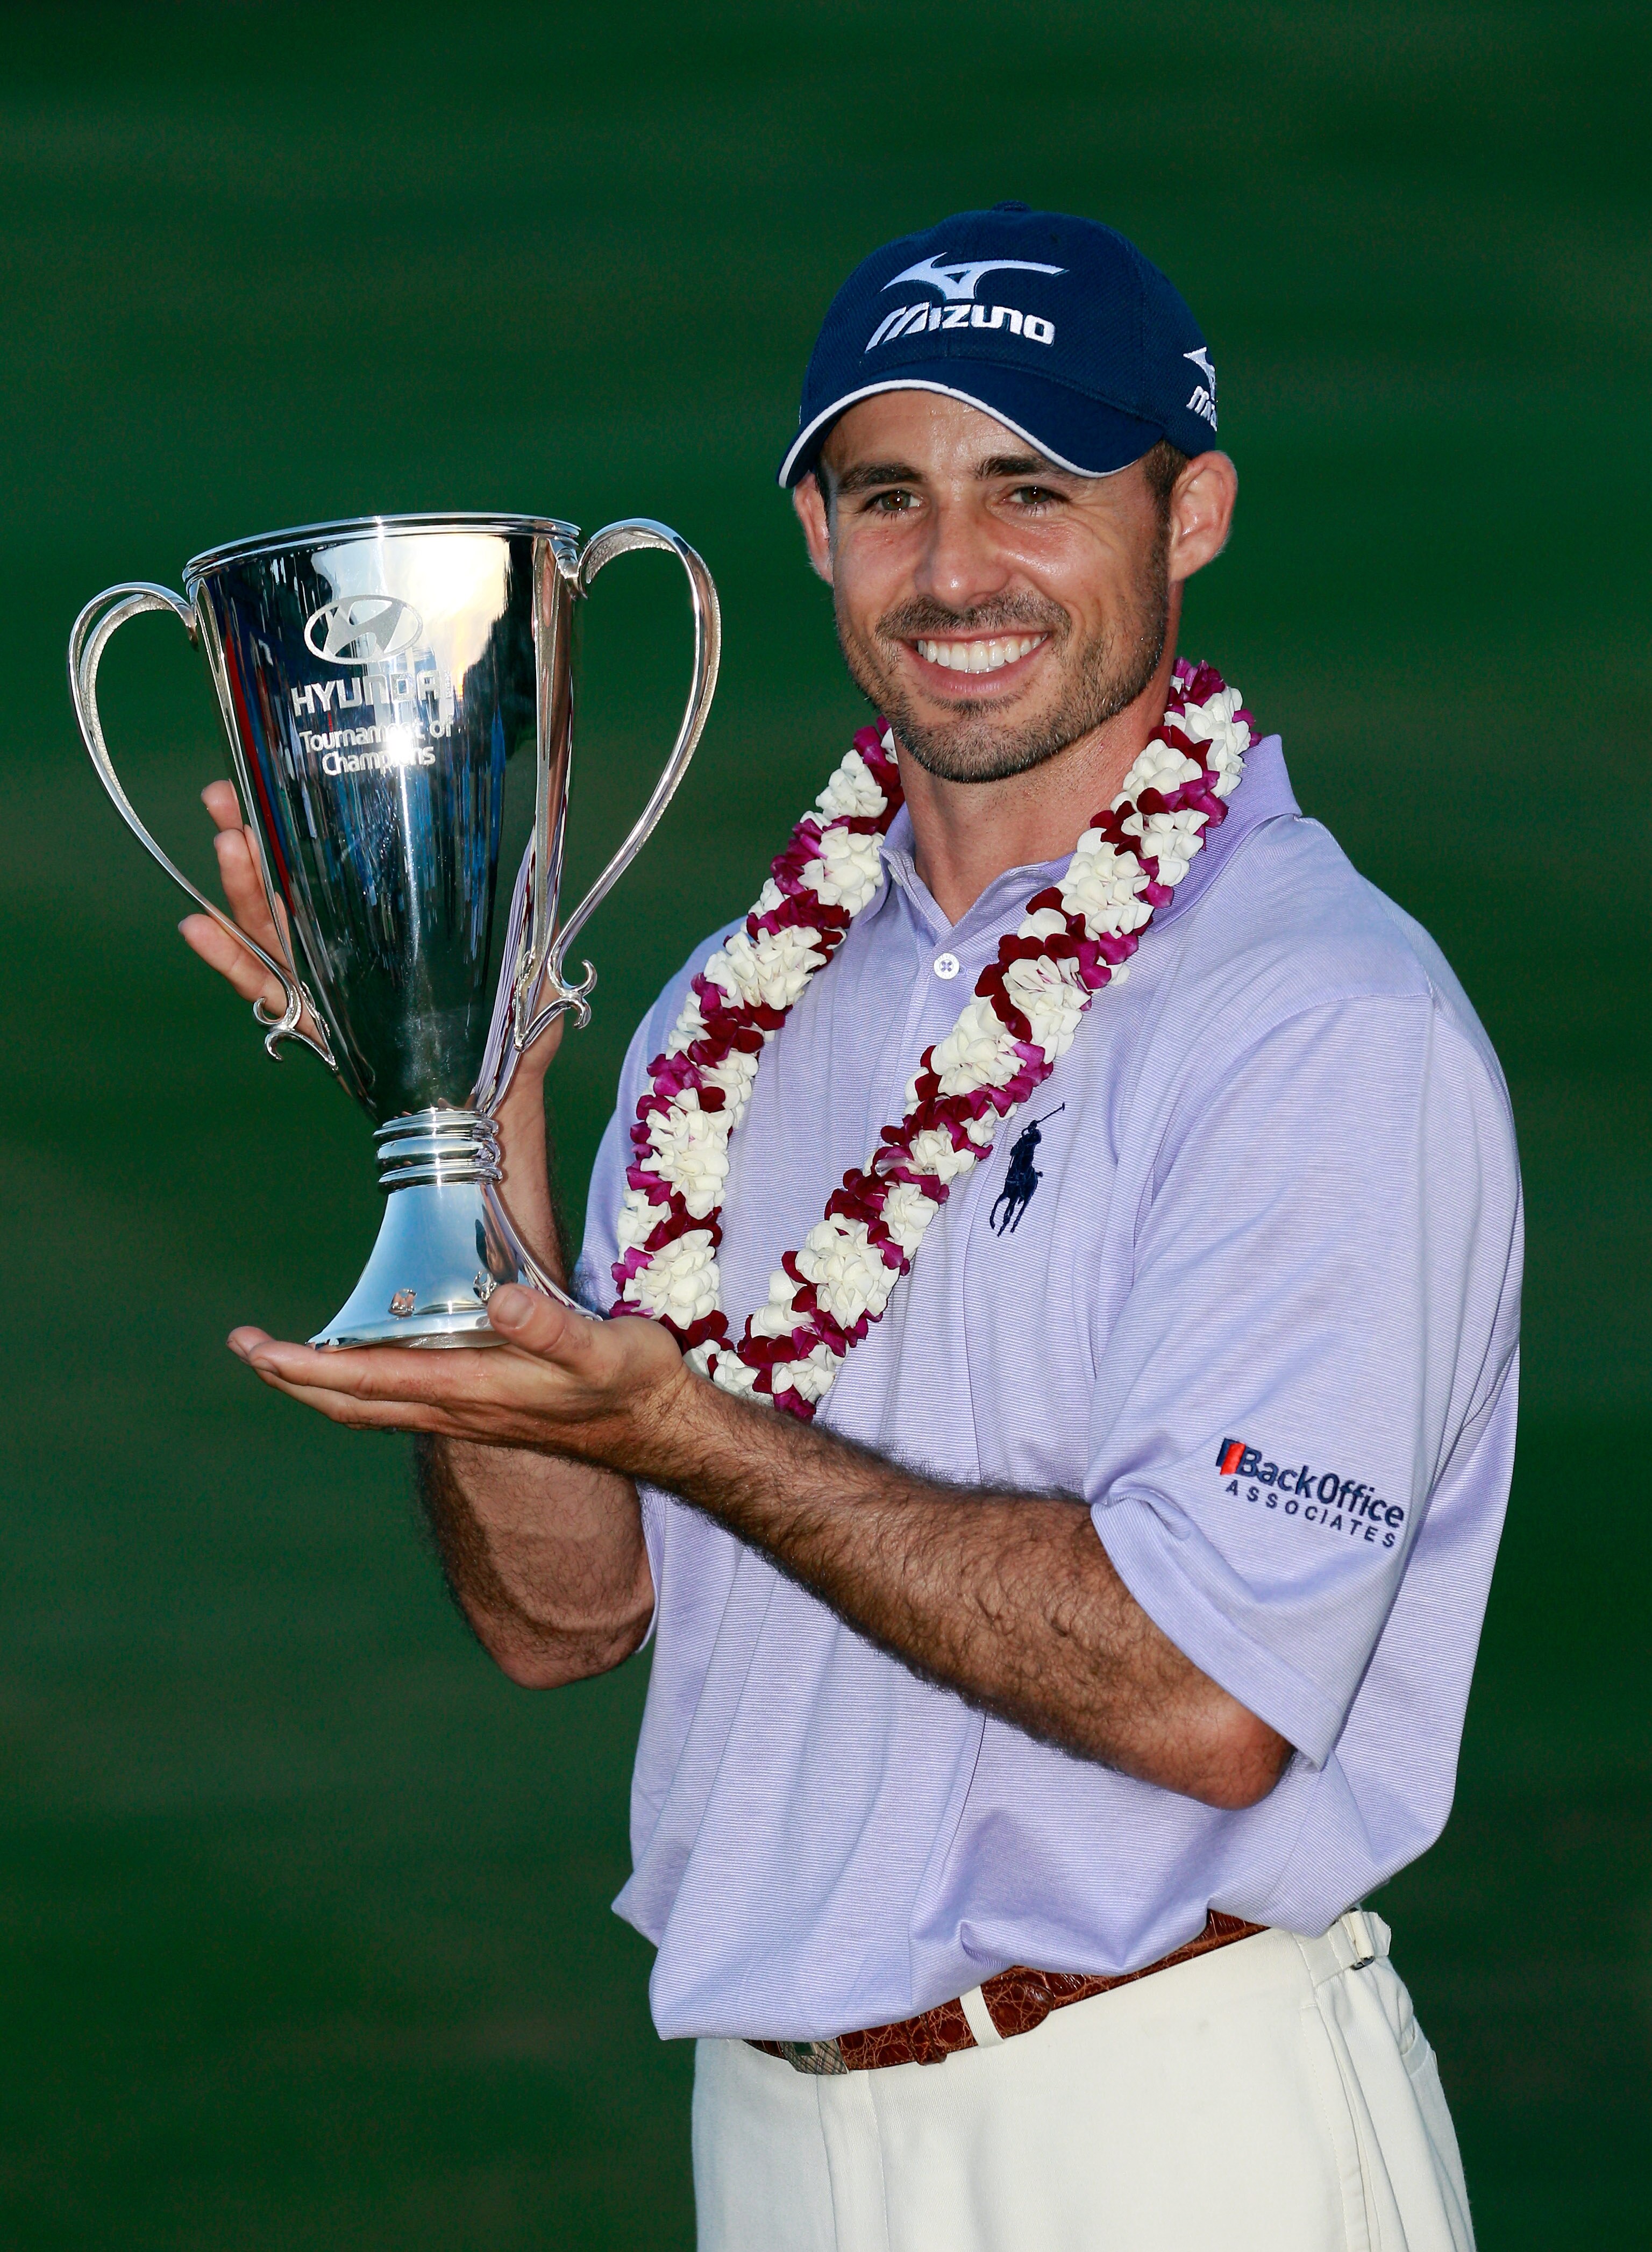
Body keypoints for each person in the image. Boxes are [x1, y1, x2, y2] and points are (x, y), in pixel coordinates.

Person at [186, 206, 1520, 2250]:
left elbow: (1202, 1692)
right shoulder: (743, 1004)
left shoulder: (1317, 1010)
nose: (957, 570)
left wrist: (695, 1434)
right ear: (815, 532)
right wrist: (464, 1090)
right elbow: (565, 1612)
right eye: (889, 495)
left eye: (1036, 490)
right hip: (779, 2147)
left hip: (1170, 2133)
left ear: (1197, 511)